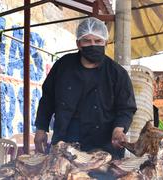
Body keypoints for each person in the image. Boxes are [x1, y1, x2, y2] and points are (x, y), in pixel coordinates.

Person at [34, 17, 137, 159]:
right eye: (87, 41)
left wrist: (119, 130)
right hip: (65, 144)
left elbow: (126, 108)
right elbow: (47, 99)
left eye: (98, 41)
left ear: (105, 42)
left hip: (104, 148)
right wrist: (41, 128)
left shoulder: (117, 73)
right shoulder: (63, 66)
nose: (93, 45)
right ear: (78, 44)